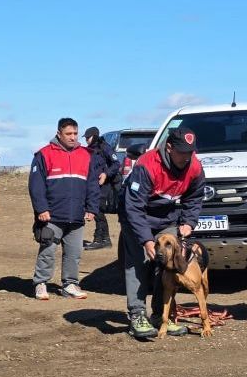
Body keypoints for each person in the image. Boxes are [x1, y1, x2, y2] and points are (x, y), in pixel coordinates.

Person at [119, 125, 205, 338]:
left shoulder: (194, 167)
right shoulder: (147, 166)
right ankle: (137, 315)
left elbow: (194, 197)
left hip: (166, 217)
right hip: (137, 217)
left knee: (168, 264)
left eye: (190, 152)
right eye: (182, 152)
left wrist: (188, 222)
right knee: (139, 263)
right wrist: (147, 240)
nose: (187, 157)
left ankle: (160, 315)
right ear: (169, 147)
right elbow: (134, 207)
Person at [29, 118, 100, 300]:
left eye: (75, 133)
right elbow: (36, 186)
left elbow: (92, 184)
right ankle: (41, 283)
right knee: (47, 251)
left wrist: (92, 207)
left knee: (74, 253)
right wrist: (41, 209)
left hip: (76, 215)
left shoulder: (86, 155)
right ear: (59, 133)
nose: (73, 137)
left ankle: (70, 284)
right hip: (51, 215)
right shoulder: (44, 155)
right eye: (68, 134)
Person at [83, 126, 121, 250]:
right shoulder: (89, 150)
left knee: (98, 210)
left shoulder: (104, 147)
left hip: (104, 185)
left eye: (88, 137)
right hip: (93, 185)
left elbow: (116, 164)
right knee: (96, 209)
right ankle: (105, 239)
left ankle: (100, 239)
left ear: (94, 136)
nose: (86, 140)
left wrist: (106, 174)